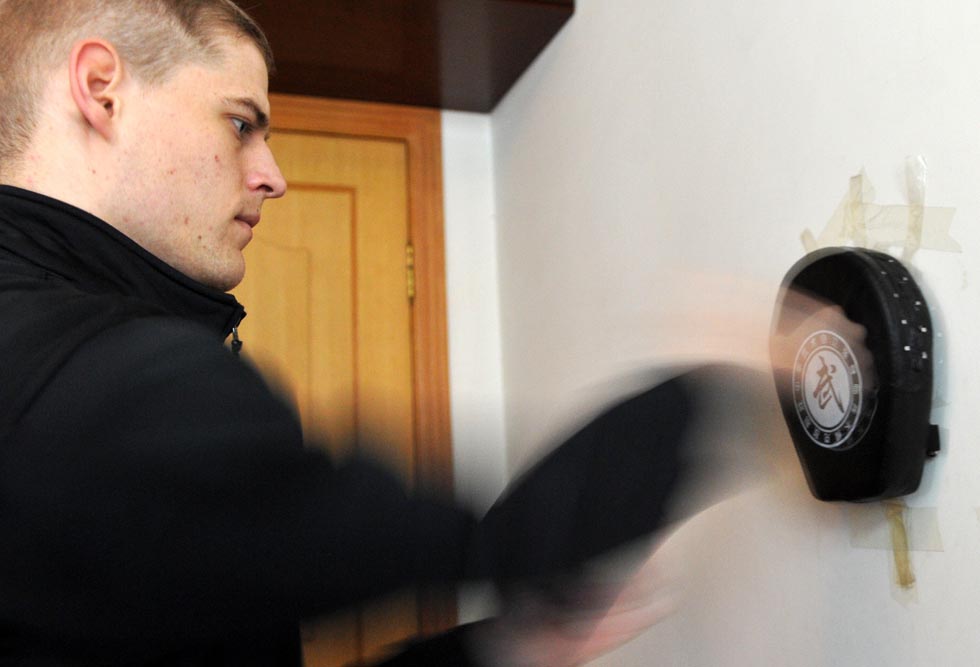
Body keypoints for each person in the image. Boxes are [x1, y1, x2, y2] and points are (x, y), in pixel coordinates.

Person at [0, 1, 767, 664]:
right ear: (102, 89)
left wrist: (494, 649)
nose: (272, 174)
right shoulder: (110, 381)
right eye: (240, 123)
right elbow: (522, 543)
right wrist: (719, 387)